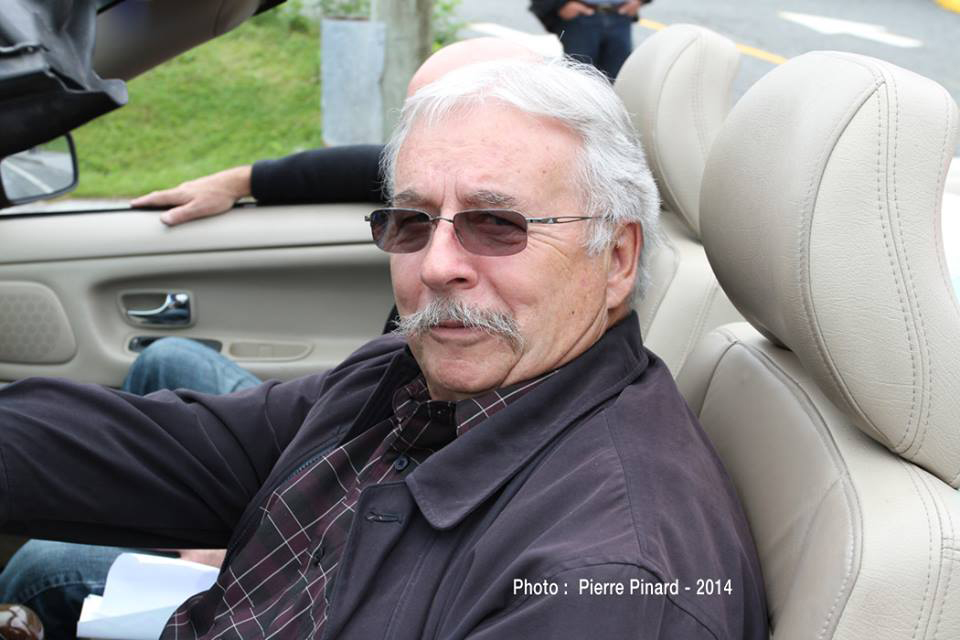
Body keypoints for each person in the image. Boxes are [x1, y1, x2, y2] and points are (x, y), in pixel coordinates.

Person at [0, 57, 768, 638]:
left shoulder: (599, 584)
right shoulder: (409, 379)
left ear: (618, 259)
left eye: (498, 224)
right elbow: (174, 448)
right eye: (410, 221)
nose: (436, 264)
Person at [0, 37, 542, 640]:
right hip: (359, 435)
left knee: (41, 570)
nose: (439, 266)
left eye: (495, 222)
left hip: (342, 532)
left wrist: (250, 537)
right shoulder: (392, 362)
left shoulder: (592, 550)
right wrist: (242, 180)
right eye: (415, 135)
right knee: (167, 358)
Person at [529, 0, 649, 80]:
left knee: (620, 80)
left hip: (621, 15)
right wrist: (560, 5)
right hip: (579, 18)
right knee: (579, 81)